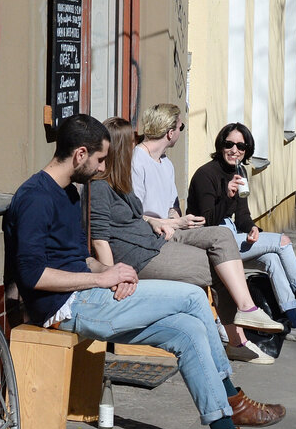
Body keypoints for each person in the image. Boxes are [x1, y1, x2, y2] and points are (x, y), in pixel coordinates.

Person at [3, 113, 286, 429]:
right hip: (67, 307)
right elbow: (32, 275)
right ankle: (231, 398)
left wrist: (113, 272)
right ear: (79, 155)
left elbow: (79, 260)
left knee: (188, 330)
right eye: (100, 159)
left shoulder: (69, 194)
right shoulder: (35, 197)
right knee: (193, 295)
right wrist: (99, 279)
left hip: (90, 294)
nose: (104, 167)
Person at [88, 117, 283, 364]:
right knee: (220, 265)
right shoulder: (99, 188)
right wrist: (113, 277)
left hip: (153, 241)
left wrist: (156, 222)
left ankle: (243, 319)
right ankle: (237, 338)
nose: (136, 148)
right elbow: (100, 240)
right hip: (141, 256)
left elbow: (136, 218)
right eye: (132, 143)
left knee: (223, 239)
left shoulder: (120, 184)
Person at [187, 122, 296, 345]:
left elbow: (242, 216)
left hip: (232, 237)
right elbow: (207, 220)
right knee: (281, 242)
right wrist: (226, 192)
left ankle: (295, 326)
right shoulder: (206, 174)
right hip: (211, 243)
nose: (235, 150)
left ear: (247, 150)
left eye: (241, 146)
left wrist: (252, 229)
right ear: (220, 145)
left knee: (272, 257)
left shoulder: (239, 171)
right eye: (229, 144)